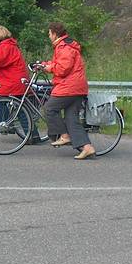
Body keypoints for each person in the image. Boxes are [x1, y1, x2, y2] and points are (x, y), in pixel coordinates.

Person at [41, 22, 96, 160]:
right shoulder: (65, 45)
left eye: (49, 33)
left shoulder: (64, 47)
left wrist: (48, 68)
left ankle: (64, 135)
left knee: (49, 109)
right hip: (77, 87)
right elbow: (61, 64)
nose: (49, 36)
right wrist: (46, 64)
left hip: (70, 87)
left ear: (54, 33)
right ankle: (87, 148)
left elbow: (62, 69)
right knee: (72, 119)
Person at [0, 24, 42, 144]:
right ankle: (33, 136)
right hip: (17, 80)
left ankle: (6, 124)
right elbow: (1, 60)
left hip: (14, 82)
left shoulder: (6, 46)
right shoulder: (7, 45)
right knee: (20, 109)